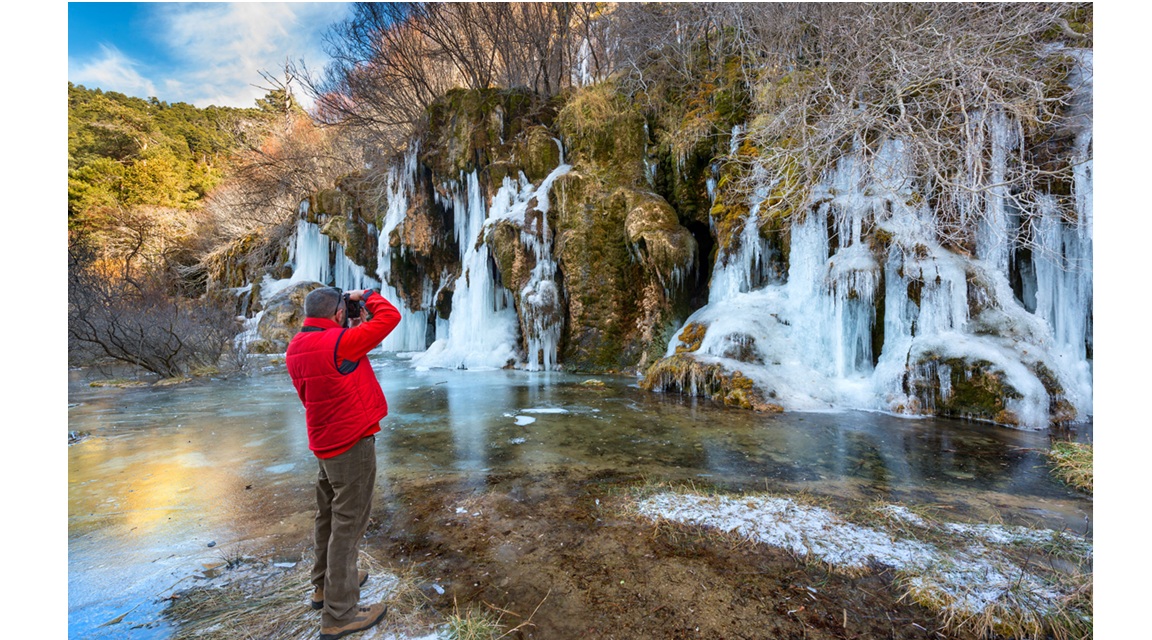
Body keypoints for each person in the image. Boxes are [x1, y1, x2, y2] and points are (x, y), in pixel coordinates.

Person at [286, 286, 401, 640]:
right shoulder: (340, 345)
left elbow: (332, 367)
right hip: (352, 444)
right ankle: (341, 613)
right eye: (344, 310)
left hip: (324, 443)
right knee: (348, 528)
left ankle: (323, 588)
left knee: (327, 517)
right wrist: (365, 295)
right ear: (337, 314)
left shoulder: (297, 347)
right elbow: (391, 317)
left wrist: (347, 320)